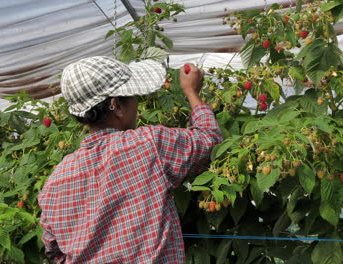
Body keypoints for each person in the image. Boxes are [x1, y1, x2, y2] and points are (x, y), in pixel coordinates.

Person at [38, 56, 222, 263]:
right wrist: (191, 92)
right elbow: (210, 142)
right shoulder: (148, 144)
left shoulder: (54, 183)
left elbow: (54, 251)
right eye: (133, 96)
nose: (136, 103)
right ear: (116, 106)